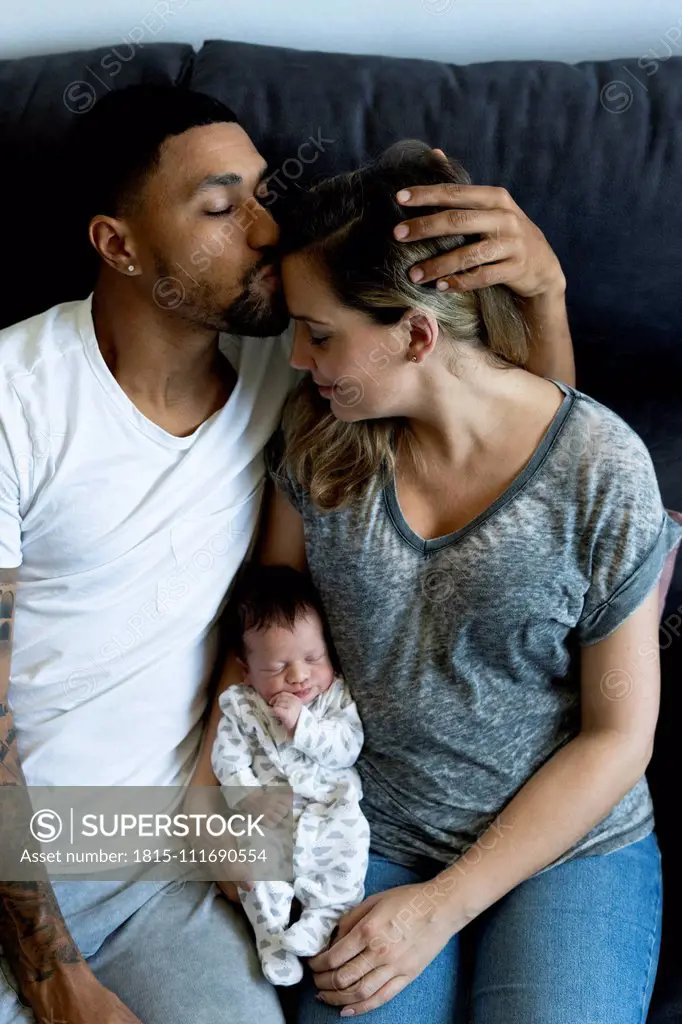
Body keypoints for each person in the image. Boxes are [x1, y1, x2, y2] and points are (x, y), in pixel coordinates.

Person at [0, 80, 573, 1024]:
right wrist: (58, 978)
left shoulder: (300, 358)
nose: (266, 230)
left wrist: (541, 289)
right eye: (221, 208)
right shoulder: (21, 406)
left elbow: (527, 465)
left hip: (177, 860)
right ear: (119, 244)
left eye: (265, 194)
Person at [242, 140, 682, 1022]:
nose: (297, 359)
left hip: (567, 846)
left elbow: (620, 737)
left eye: (320, 334)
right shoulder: (323, 438)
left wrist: (441, 909)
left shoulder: (601, 467)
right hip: (374, 829)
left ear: (415, 332)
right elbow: (266, 626)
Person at [212, 564, 369, 986]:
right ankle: (271, 938)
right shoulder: (241, 706)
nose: (299, 675)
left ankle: (321, 921)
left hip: (329, 807)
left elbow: (347, 747)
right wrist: (247, 798)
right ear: (246, 669)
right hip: (268, 815)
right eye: (278, 666)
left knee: (347, 856)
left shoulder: (334, 697)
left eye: (312, 658)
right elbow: (227, 759)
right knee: (255, 871)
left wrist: (305, 726)